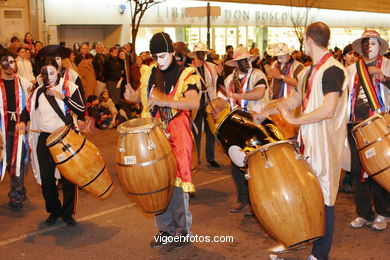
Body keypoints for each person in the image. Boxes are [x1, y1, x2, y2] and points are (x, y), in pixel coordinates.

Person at [255, 22, 348, 260]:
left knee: (324, 197)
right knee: (305, 192)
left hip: (325, 144)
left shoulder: (332, 69)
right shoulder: (308, 71)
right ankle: (298, 237)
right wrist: (266, 111)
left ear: (308, 40)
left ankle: (320, 254)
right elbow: (294, 99)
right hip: (308, 140)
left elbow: (328, 109)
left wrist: (296, 122)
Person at [124, 32, 200, 250]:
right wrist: (132, 96)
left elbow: (193, 102)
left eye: (163, 56)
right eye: (156, 56)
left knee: (177, 185)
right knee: (157, 182)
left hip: (178, 134)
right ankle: (165, 230)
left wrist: (165, 100)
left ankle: (181, 232)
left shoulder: (186, 74)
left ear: (172, 53)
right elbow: (143, 96)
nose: (159, 61)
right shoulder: (150, 73)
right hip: (155, 134)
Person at [17, 57, 85, 226]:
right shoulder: (38, 92)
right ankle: (54, 210)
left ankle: (68, 213)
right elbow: (27, 109)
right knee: (47, 179)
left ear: (59, 71)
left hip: (65, 138)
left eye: (52, 73)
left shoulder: (70, 88)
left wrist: (61, 96)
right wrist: (22, 121)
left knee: (68, 177)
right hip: (44, 138)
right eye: (46, 73)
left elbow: (81, 109)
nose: (49, 76)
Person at [347, 30, 390, 231]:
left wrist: (383, 77)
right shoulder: (351, 69)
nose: (368, 47)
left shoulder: (388, 65)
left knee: (379, 168)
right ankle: (364, 213)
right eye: (365, 43)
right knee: (357, 171)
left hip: (380, 124)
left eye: (372, 43)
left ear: (380, 47)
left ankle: (383, 213)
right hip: (354, 125)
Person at [224, 46, 268, 214]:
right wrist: (216, 105)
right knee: (236, 165)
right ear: (235, 63)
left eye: (246, 59)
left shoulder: (258, 75)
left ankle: (255, 202)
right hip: (236, 125)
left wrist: (237, 96)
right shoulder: (229, 80)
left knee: (256, 165)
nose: (244, 63)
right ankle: (242, 199)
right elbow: (223, 99)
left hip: (256, 124)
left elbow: (259, 93)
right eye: (240, 61)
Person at [0, 54, 31, 209]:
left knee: (17, 161)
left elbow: (29, 106)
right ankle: (20, 188)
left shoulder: (23, 83)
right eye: (5, 63)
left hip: (19, 131)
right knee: (6, 163)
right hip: (2, 132)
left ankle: (16, 194)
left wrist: (24, 120)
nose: (9, 66)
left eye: (12, 62)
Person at [188, 42, 221, 168]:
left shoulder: (212, 67)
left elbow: (217, 83)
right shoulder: (189, 69)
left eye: (204, 52)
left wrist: (220, 72)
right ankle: (196, 159)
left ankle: (210, 157)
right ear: (195, 54)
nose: (202, 55)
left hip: (209, 102)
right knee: (196, 133)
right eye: (200, 53)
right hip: (196, 103)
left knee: (210, 131)